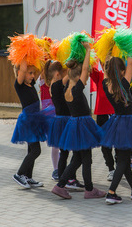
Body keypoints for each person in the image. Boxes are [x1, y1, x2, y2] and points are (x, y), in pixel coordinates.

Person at [51, 41, 106, 199]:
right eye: (86, 76)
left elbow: (79, 69)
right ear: (79, 76)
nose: (87, 79)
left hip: (75, 126)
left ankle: (60, 186)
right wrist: (88, 50)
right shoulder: (76, 88)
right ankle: (89, 190)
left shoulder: (67, 89)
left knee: (77, 159)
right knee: (86, 159)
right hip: (82, 126)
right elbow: (84, 69)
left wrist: (76, 53)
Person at [101, 56, 132, 204]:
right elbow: (131, 62)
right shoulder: (124, 83)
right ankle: (111, 192)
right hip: (128, 125)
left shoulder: (105, 83)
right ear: (121, 71)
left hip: (117, 123)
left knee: (125, 159)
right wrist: (129, 49)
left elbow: (108, 69)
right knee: (122, 160)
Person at [43, 60, 84, 191]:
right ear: (57, 74)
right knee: (69, 152)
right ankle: (67, 178)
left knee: (65, 152)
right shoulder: (55, 85)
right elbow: (70, 75)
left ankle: (65, 178)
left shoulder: (54, 85)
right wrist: (74, 62)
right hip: (64, 122)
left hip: (62, 121)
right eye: (63, 73)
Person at [11, 59, 46, 189]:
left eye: (33, 73)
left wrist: (42, 51)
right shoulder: (19, 84)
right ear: (21, 73)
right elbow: (24, 68)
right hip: (29, 121)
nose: (32, 76)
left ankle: (28, 177)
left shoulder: (31, 83)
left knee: (31, 149)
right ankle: (19, 174)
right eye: (30, 73)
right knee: (36, 150)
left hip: (35, 121)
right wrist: (25, 53)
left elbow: (40, 68)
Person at [90, 64, 116, 181]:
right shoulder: (98, 74)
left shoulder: (118, 75)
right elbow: (89, 67)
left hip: (116, 113)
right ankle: (111, 169)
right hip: (102, 114)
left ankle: (122, 166)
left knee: (119, 142)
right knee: (105, 144)